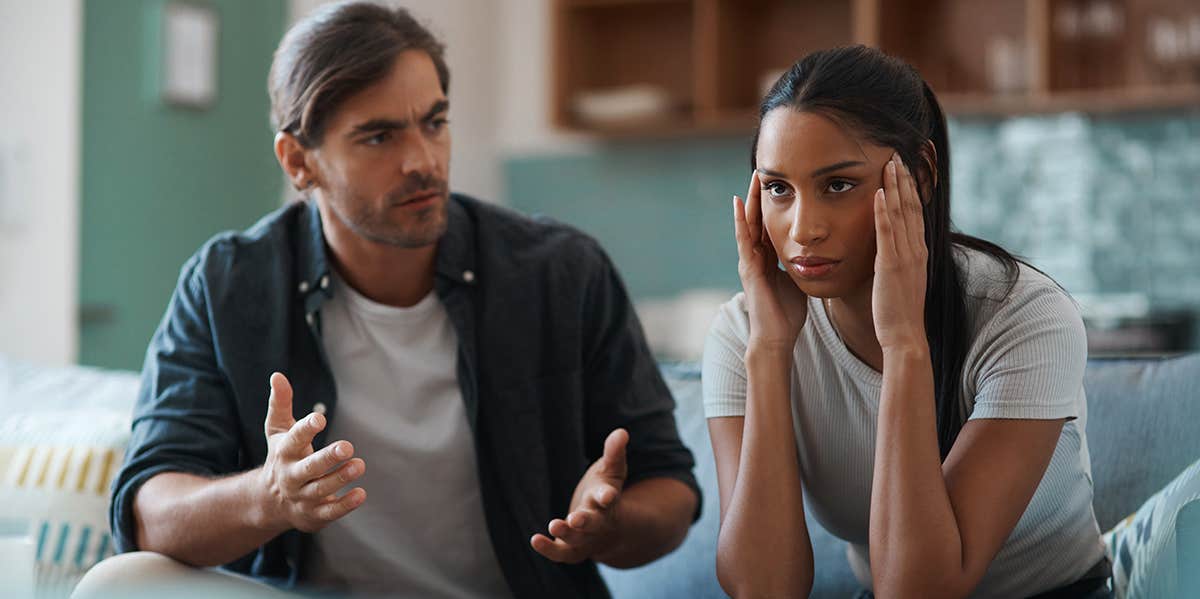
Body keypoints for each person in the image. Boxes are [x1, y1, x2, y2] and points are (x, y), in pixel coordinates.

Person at [76, 3, 699, 598]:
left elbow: (670, 489)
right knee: (115, 586)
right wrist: (269, 497)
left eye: (434, 122)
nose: (423, 161)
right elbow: (146, 515)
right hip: (301, 595)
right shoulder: (227, 284)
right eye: (379, 137)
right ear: (299, 161)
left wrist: (610, 525)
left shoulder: (562, 273)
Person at [703, 45, 1115, 598]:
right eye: (778, 188)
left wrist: (903, 344)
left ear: (919, 174)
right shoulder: (745, 333)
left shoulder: (1023, 316)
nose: (803, 229)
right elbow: (763, 589)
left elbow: (919, 590)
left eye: (837, 185)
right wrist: (770, 351)